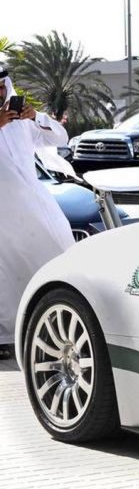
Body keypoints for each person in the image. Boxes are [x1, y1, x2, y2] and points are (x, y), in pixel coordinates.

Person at [0, 67, 74, 359]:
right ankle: (5, 335)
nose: (0, 94)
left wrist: (36, 117)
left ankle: (52, 323)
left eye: (2, 87)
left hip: (32, 208)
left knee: (55, 254)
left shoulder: (25, 123)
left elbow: (61, 138)